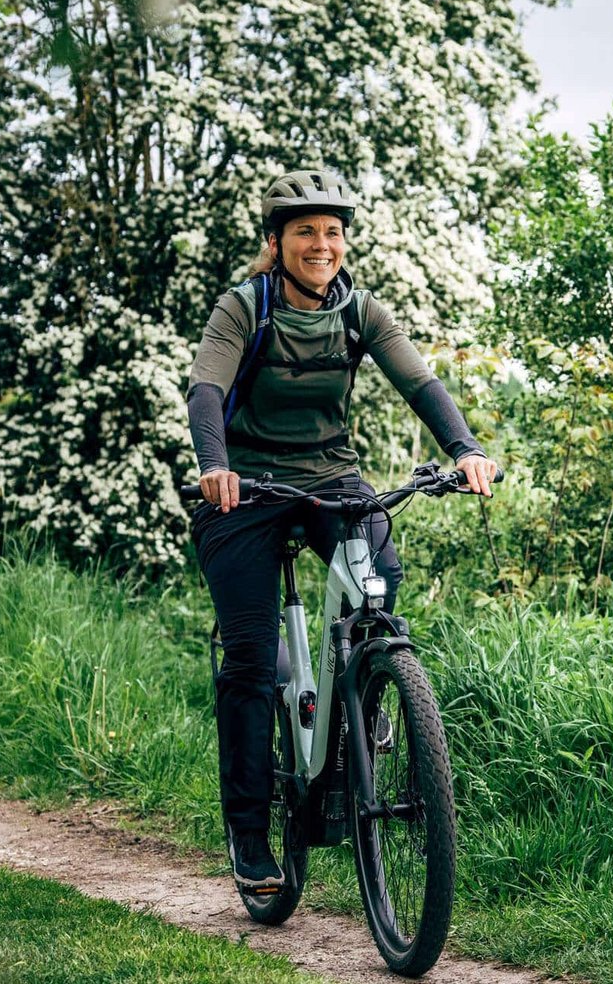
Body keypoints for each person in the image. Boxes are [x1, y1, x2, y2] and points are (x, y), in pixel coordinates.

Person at [184, 168, 498, 891]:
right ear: (277, 241)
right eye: (305, 232)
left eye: (331, 232)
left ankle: (371, 701)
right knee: (254, 660)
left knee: (378, 590)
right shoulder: (245, 306)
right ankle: (249, 835)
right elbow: (206, 388)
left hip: (330, 477)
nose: (320, 244)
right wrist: (214, 465)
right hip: (248, 488)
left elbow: (419, 382)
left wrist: (465, 449)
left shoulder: (358, 309)